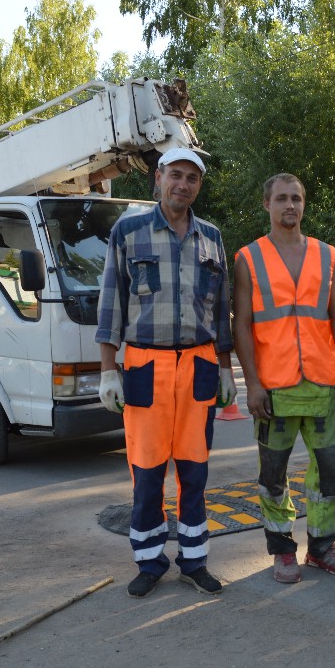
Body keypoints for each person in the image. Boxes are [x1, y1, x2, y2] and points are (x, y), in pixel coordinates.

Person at [95, 147, 236, 599]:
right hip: (144, 366)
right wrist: (107, 370)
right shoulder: (128, 231)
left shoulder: (211, 238)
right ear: (158, 178)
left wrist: (227, 370)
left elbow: (222, 313)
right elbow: (110, 302)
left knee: (194, 472)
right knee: (148, 472)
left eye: (192, 178)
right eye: (175, 175)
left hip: (198, 364)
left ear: (199, 185)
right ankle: (150, 561)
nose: (183, 185)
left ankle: (194, 561)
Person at [233, 173, 335, 584]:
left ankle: (322, 547)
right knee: (273, 475)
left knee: (330, 472)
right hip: (272, 388)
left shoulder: (327, 255)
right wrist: (252, 383)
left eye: (297, 198)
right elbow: (243, 325)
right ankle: (283, 550)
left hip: (321, 383)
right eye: (282, 198)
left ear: (304, 205)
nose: (291, 205)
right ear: (266, 205)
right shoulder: (248, 258)